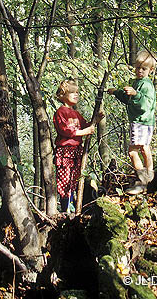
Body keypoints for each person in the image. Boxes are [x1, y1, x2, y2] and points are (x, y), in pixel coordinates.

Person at [107, 49, 157, 195]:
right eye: (138, 68)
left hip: (142, 122)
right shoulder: (138, 82)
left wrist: (135, 94)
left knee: (133, 151)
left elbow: (145, 105)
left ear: (151, 70)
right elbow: (129, 100)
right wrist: (116, 92)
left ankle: (144, 181)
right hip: (142, 122)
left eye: (144, 68)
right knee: (143, 148)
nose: (140, 71)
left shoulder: (146, 85)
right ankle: (148, 177)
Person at [53, 80, 95, 213]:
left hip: (77, 151)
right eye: (72, 92)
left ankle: (74, 206)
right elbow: (66, 130)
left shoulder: (75, 113)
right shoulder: (61, 112)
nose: (76, 95)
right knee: (65, 180)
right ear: (62, 94)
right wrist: (84, 132)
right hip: (65, 151)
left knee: (75, 179)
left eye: (77, 92)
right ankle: (66, 208)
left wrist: (97, 120)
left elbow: (85, 125)